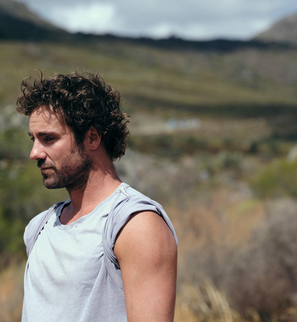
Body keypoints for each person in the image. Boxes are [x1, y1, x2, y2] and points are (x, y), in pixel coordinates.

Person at [16, 72, 177, 322]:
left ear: (92, 137)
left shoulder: (134, 225)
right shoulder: (39, 228)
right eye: (33, 139)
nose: (34, 153)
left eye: (48, 139)